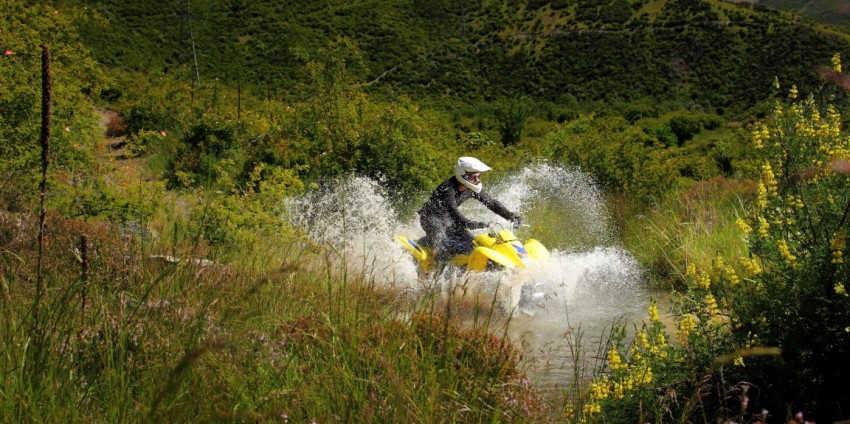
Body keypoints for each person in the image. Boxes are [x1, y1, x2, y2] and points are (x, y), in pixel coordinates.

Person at [417, 157, 522, 260]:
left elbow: (492, 203)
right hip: (430, 217)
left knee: (472, 245)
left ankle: (429, 242)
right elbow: (452, 210)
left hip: (448, 219)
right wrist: (468, 223)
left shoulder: (471, 188)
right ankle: (433, 267)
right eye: (473, 177)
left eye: (478, 176)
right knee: (442, 247)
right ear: (462, 174)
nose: (477, 180)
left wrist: (511, 216)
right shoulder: (448, 188)